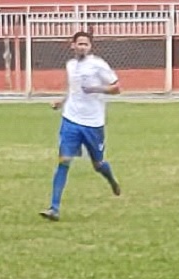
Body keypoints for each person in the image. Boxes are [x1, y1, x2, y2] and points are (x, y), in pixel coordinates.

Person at [40, 31, 122, 222]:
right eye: (80, 44)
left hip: (93, 123)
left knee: (98, 164)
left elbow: (117, 88)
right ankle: (54, 208)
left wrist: (96, 89)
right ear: (73, 45)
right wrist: (61, 102)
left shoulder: (98, 65)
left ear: (90, 47)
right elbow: (73, 90)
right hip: (71, 119)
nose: (82, 47)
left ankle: (111, 180)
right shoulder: (70, 65)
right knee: (64, 161)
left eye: (86, 44)